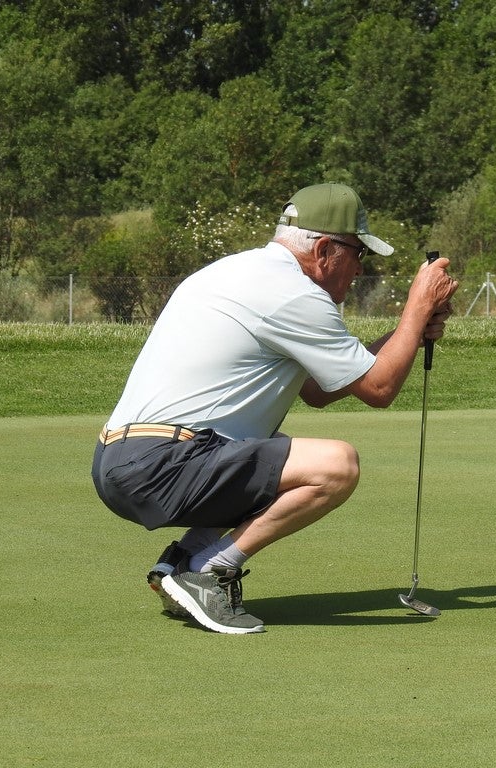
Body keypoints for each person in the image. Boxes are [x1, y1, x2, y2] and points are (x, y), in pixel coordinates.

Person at [92, 183, 458, 634]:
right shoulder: (294, 294)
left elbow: (319, 391)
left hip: (124, 459)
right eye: (358, 252)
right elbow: (379, 388)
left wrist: (409, 332)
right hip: (161, 463)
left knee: (271, 451)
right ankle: (208, 571)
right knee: (336, 465)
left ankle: (181, 564)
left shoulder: (243, 272)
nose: (360, 268)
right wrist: (417, 308)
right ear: (324, 250)